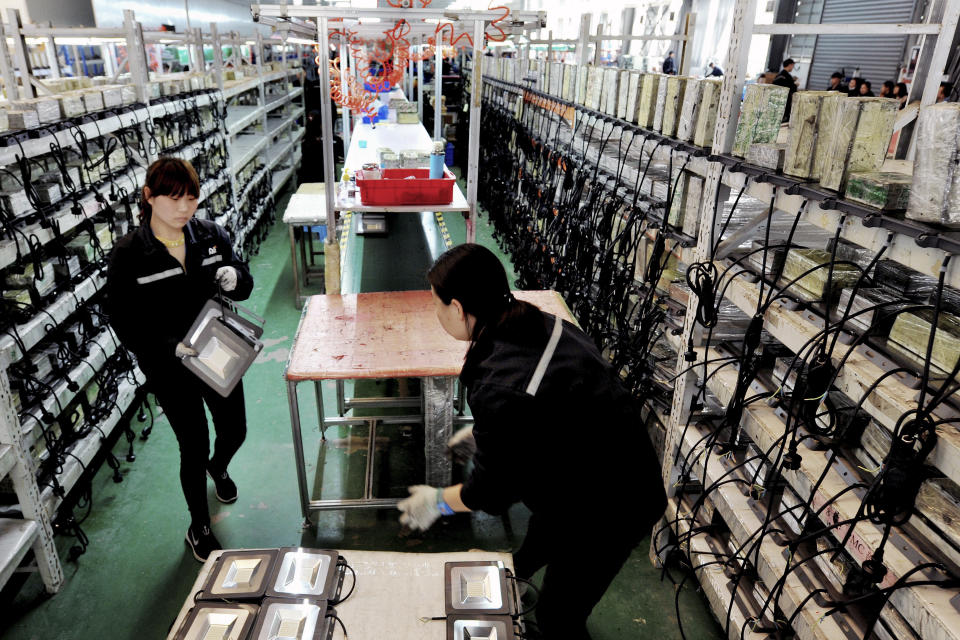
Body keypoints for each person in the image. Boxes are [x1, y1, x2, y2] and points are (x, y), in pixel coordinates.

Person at [397, 244, 667, 640]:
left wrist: (437, 501)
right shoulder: (540, 323)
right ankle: (516, 575)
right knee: (539, 539)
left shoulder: (501, 384)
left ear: (456, 308)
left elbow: (492, 491)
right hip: (585, 470)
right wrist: (484, 436)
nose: (435, 314)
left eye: (436, 305)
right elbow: (549, 410)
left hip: (612, 505)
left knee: (559, 614)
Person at [105, 158, 254, 562]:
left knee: (234, 430)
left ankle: (219, 467)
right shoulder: (129, 254)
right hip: (168, 366)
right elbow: (122, 319)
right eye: (173, 198)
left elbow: (244, 281)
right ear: (149, 198)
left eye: (191, 197)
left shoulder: (210, 236)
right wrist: (169, 345)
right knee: (193, 443)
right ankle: (199, 527)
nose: (184, 207)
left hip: (217, 351)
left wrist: (234, 278)